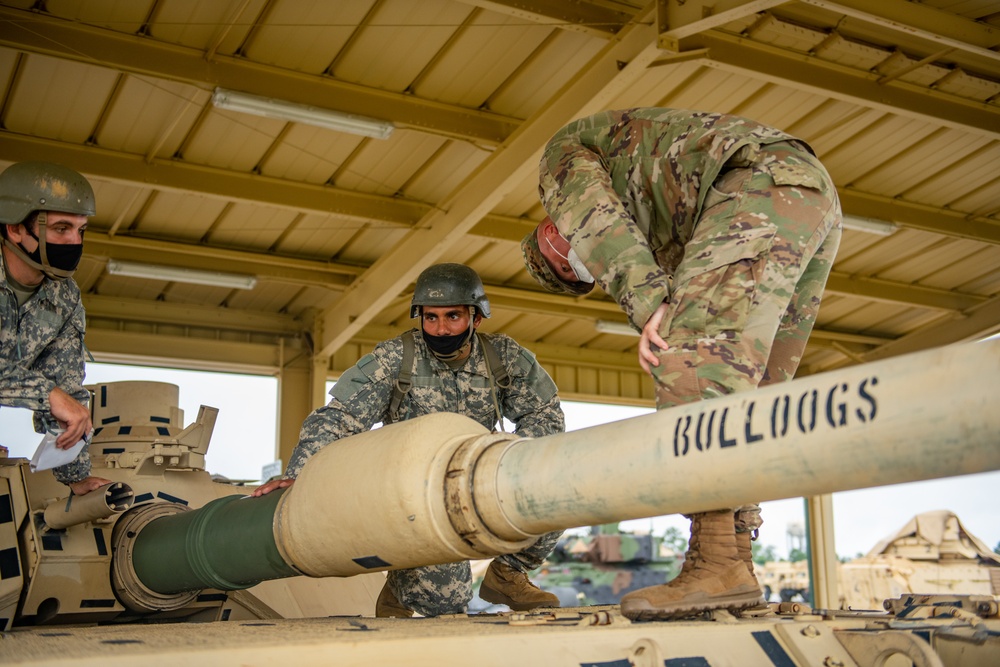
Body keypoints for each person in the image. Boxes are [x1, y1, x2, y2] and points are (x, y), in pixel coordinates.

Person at [521, 108, 842, 620]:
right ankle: (735, 559)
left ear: (547, 230)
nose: (576, 255)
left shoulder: (561, 158)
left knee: (689, 357)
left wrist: (648, 302)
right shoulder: (667, 227)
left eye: (566, 258)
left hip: (753, 183)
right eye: (577, 275)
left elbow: (595, 218)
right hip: (807, 196)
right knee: (749, 396)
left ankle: (714, 558)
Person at [253, 263, 566, 617]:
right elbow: (340, 417)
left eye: (453, 317)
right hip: (412, 492)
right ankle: (401, 587)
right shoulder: (397, 357)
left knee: (559, 483)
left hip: (478, 475)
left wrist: (512, 460)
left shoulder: (503, 358)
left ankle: (508, 574)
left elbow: (546, 415)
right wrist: (298, 475)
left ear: (476, 317)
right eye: (430, 318)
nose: (441, 329)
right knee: (446, 605)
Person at [0, 161, 110, 496]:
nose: (74, 241)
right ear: (15, 228)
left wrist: (76, 478)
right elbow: (54, 395)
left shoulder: (63, 296)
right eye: (61, 228)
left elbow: (66, 388)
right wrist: (48, 395)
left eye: (81, 230)